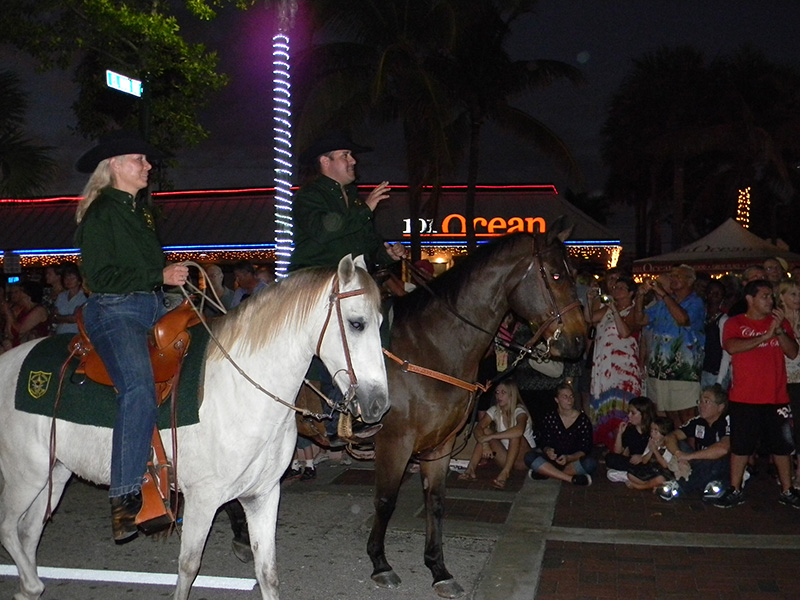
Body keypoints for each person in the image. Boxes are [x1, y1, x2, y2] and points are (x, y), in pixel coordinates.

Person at [74, 130, 189, 541]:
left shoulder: (140, 211)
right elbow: (100, 278)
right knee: (138, 388)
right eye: (139, 159)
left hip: (153, 306)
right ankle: (124, 497)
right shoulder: (101, 212)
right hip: (115, 311)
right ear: (116, 165)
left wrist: (167, 282)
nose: (148, 166)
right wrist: (158, 274)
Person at [715, 280, 800, 508]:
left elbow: (793, 352)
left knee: (781, 446)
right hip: (745, 397)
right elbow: (732, 347)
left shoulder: (779, 322)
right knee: (741, 446)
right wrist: (764, 336)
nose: (770, 300)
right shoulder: (735, 323)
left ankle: (787, 490)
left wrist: (778, 330)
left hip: (776, 397)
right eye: (764, 296)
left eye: (771, 296)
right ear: (750, 299)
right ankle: (735, 488)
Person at [288, 131, 405, 273]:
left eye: (351, 155)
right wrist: (365, 209)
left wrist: (388, 254)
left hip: (350, 280)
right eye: (345, 155)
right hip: (316, 279)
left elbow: (368, 247)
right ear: (325, 161)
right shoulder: (309, 195)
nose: (353, 161)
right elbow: (323, 231)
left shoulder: (354, 199)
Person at [634, 264, 705, 430]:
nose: (672, 279)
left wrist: (664, 295)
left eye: (677, 276)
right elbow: (640, 320)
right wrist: (640, 297)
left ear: (690, 281)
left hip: (683, 370)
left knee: (687, 416)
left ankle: (690, 446)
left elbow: (683, 319)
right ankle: (671, 446)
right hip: (660, 370)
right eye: (671, 276)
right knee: (667, 416)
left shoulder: (696, 302)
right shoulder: (662, 304)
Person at [585, 276, 642, 444]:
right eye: (615, 287)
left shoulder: (633, 310)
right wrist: (590, 300)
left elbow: (625, 332)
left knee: (621, 406)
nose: (616, 290)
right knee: (605, 404)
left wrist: (615, 310)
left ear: (631, 293)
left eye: (621, 288)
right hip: (605, 365)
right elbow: (589, 318)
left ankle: (622, 443)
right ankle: (607, 443)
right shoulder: (607, 309)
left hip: (623, 368)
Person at [458, 380, 535, 489]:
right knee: (485, 431)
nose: (499, 396)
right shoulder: (494, 410)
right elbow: (478, 428)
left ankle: (505, 473)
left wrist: (492, 436)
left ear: (511, 395)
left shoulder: (519, 411)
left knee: (515, 435)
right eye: (497, 392)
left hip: (525, 458)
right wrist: (485, 444)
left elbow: (519, 430)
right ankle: (470, 470)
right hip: (506, 458)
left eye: (503, 392)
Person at [662, 384, 731, 499]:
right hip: (698, 462)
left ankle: (681, 485)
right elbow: (671, 437)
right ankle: (693, 480)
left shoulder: (727, 421)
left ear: (720, 407)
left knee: (716, 461)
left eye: (706, 402)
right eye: (700, 401)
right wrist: (679, 454)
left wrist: (689, 457)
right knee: (676, 445)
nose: (701, 406)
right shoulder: (698, 421)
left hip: (719, 464)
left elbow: (723, 448)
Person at [524, 383, 596, 486]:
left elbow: (585, 448)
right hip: (552, 460)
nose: (569, 400)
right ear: (557, 400)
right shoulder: (550, 417)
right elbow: (543, 441)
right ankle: (570, 479)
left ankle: (546, 473)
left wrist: (569, 458)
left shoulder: (583, 420)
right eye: (565, 397)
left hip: (573, 461)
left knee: (590, 463)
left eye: (571, 396)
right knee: (529, 456)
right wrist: (548, 450)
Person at [776, 279, 800, 481]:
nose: (797, 298)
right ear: (781, 297)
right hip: (781, 380)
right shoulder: (776, 321)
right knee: (784, 427)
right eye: (793, 294)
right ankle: (786, 472)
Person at [605, 396, 656, 482]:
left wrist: (642, 457)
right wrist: (619, 434)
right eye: (629, 412)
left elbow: (660, 451)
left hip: (648, 462)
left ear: (644, 414)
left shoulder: (653, 429)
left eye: (633, 413)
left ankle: (633, 476)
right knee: (610, 458)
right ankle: (635, 476)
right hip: (634, 463)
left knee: (651, 467)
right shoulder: (630, 430)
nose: (629, 415)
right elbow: (618, 452)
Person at [1, 282, 49, 349]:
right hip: (19, 347)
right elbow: (10, 333)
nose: (16, 295)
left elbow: (20, 330)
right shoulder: (22, 310)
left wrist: (8, 312)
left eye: (20, 292)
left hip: (34, 348)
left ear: (28, 296)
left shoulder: (39, 310)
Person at [52, 264, 88, 335]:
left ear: (79, 280)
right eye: (66, 278)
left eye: (72, 278)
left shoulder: (84, 296)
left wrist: (59, 317)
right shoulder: (61, 296)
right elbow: (53, 317)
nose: (68, 281)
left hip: (76, 335)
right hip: (60, 334)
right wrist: (67, 318)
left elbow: (75, 318)